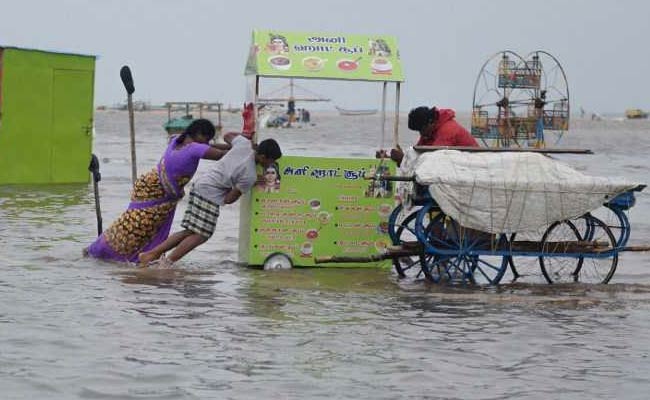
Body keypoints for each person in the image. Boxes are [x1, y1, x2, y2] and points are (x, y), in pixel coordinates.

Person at [84, 119, 228, 263]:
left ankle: (98, 250)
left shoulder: (177, 139)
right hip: (158, 193)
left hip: (148, 184)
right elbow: (221, 155)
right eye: (206, 138)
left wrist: (226, 145)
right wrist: (241, 149)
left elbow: (208, 147)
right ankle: (111, 254)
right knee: (138, 228)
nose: (207, 142)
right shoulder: (195, 148)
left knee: (130, 222)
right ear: (199, 134)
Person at [138, 135, 282, 267]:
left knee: (190, 231)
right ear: (263, 157)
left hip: (202, 184)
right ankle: (166, 262)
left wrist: (239, 143)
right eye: (271, 160)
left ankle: (151, 254)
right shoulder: (250, 176)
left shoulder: (243, 144)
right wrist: (248, 184)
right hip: (210, 194)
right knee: (201, 235)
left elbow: (227, 136)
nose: (271, 164)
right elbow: (229, 199)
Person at [378, 106, 479, 166]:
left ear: (430, 123)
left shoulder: (447, 131)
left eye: (421, 130)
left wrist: (403, 160)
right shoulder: (429, 131)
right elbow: (417, 153)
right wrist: (389, 157)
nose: (421, 134)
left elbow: (431, 164)